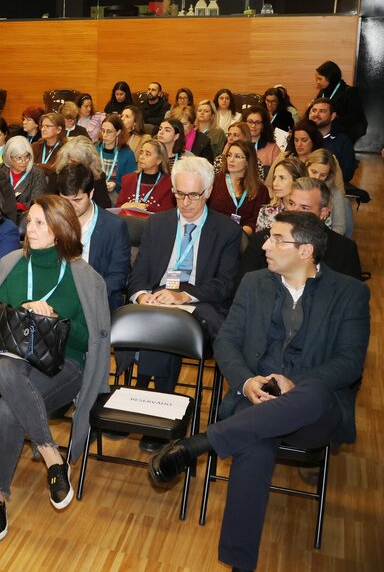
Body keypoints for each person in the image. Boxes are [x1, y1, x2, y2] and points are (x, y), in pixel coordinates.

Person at [149, 212, 369, 572]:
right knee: (253, 443)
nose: (265, 245)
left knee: (312, 393)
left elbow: (349, 363)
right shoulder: (254, 283)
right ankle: (240, 565)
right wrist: (246, 381)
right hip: (255, 399)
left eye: (277, 239)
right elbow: (227, 342)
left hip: (313, 411)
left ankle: (201, 443)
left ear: (305, 251)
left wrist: (296, 385)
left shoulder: (349, 293)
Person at [0, 195, 111, 542]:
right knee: (4, 371)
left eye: (39, 223)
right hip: (6, 356)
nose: (29, 228)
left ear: (59, 229)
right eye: (29, 221)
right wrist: (22, 311)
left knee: (8, 409)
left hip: (61, 363)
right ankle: (52, 456)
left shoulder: (85, 277)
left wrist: (56, 320)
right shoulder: (12, 263)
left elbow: (89, 339)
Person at [127, 156, 242, 402]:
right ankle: (158, 401)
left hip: (199, 302)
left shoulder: (227, 231)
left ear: (208, 192)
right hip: (157, 298)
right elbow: (139, 273)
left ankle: (144, 393)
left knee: (167, 321)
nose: (185, 202)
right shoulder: (157, 223)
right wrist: (142, 295)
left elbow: (224, 284)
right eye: (179, 194)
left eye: (193, 195)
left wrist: (182, 297)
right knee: (161, 316)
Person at [237, 177, 361, 286]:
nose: (294, 212)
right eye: (291, 203)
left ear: (323, 213)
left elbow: (350, 297)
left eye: (304, 207)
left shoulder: (344, 250)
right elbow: (243, 288)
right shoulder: (261, 241)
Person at [57, 164, 130, 312]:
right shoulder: (54, 221)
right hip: (59, 299)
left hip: (97, 301)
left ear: (91, 194)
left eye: (77, 200)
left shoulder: (114, 227)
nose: (70, 206)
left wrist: (85, 295)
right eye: (65, 200)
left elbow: (119, 276)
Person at [208, 142, 270, 235]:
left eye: (237, 156)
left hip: (243, 236)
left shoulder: (261, 190)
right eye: (229, 155)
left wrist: (239, 234)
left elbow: (257, 220)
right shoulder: (214, 180)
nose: (231, 160)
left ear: (248, 161)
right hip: (214, 232)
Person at [115, 139, 175, 217]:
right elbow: (118, 207)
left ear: (159, 160)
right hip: (129, 221)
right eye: (141, 153)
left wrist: (143, 207)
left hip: (154, 223)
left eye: (147, 154)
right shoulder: (128, 179)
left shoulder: (168, 183)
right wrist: (125, 206)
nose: (142, 157)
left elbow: (168, 213)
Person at [48, 136, 112, 209]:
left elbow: (104, 205)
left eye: (82, 163)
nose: (77, 166)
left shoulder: (98, 177)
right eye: (73, 161)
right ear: (66, 158)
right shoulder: (56, 175)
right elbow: (48, 203)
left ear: (90, 162)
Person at [314, 59, 366, 142]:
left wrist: (334, 118)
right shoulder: (323, 92)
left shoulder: (349, 92)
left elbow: (356, 117)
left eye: (320, 79)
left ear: (329, 78)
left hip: (345, 135)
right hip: (327, 132)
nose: (317, 82)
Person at [306, 98, 357, 182]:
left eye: (322, 111)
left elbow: (348, 173)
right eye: (314, 111)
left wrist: (325, 178)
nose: (316, 114)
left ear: (332, 116)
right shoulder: (300, 136)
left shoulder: (343, 141)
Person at [305, 148, 350, 237]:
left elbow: (339, 227)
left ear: (329, 175)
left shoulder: (335, 194)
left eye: (323, 175)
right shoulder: (295, 187)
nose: (317, 178)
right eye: (314, 172)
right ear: (306, 166)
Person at [1, 136, 49, 215]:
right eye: (19, 158)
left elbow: (36, 202)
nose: (24, 162)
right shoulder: (0, 170)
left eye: (27, 157)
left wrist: (17, 206)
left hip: (24, 216)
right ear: (9, 158)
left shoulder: (37, 174)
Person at [256, 157, 306, 232]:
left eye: (282, 178)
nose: (275, 183)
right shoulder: (266, 212)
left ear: (297, 180)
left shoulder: (309, 211)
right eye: (274, 178)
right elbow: (259, 239)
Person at [96, 114, 137, 194]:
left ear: (118, 132)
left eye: (109, 132)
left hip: (116, 194)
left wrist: (116, 185)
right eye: (103, 131)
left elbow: (131, 181)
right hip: (96, 191)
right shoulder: (95, 149)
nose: (105, 135)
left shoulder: (127, 154)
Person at [245, 106, 281, 173]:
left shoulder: (273, 149)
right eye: (250, 122)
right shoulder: (237, 144)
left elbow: (277, 172)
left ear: (263, 126)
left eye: (258, 122)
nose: (253, 126)